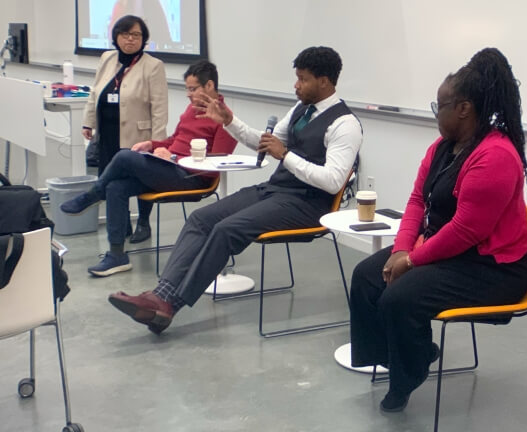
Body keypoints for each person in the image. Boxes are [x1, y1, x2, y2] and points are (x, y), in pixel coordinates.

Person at [107, 46, 363, 334]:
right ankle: (160, 295)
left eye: (302, 79)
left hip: (309, 204)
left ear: (325, 82)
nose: (296, 85)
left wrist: (285, 156)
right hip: (276, 191)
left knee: (226, 229)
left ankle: (170, 305)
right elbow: (263, 142)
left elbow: (331, 181)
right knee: (200, 219)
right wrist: (228, 122)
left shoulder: (345, 124)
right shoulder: (300, 110)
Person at [349, 48, 527, 413]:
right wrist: (402, 250)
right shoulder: (444, 147)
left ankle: (406, 377)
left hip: (492, 267)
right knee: (366, 277)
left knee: (398, 298)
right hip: (451, 251)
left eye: (439, 106)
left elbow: (466, 230)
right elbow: (418, 200)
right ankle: (407, 355)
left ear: (463, 108)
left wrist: (411, 261)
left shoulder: (495, 156)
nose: (436, 114)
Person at [61, 61, 236, 277]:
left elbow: (216, 165)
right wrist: (153, 145)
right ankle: (117, 255)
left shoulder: (225, 119)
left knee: (125, 156)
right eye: (187, 89)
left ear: (209, 86)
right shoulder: (192, 109)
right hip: (171, 168)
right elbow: (175, 139)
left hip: (192, 177)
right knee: (116, 187)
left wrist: (173, 157)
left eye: (193, 89)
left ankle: (93, 194)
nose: (188, 95)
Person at [82, 14, 168, 243]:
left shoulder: (153, 66)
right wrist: (88, 121)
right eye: (125, 34)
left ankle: (143, 222)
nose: (130, 39)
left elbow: (160, 107)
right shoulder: (107, 59)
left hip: (139, 135)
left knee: (139, 179)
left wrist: (159, 142)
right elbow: (95, 92)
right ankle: (121, 223)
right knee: (111, 180)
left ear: (143, 39)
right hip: (108, 132)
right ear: (116, 36)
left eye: (136, 35)